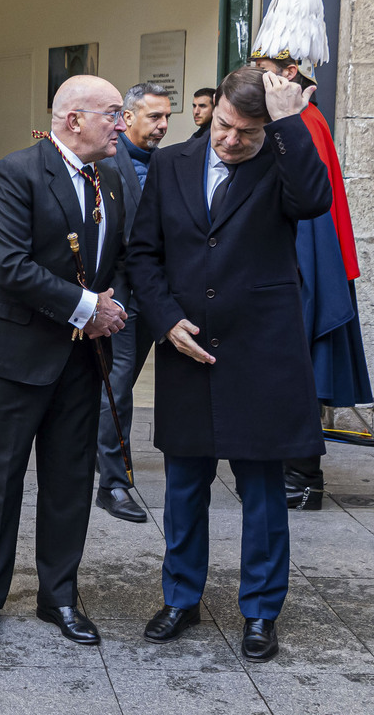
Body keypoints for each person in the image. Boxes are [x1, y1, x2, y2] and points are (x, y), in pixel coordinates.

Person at [128, 67, 331, 662]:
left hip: (261, 352)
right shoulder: (170, 165)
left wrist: (290, 122)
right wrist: (165, 320)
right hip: (188, 345)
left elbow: (314, 200)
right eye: (223, 125)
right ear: (211, 109)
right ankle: (180, 598)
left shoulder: (282, 160)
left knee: (263, 490)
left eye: (247, 131)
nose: (231, 140)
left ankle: (261, 611)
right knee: (185, 483)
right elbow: (143, 253)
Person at [0, 75, 128, 647]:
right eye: (113, 113)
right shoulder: (18, 172)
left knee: (69, 482)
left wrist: (114, 307)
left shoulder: (115, 176)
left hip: (83, 361)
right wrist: (89, 307)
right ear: (73, 119)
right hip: (15, 355)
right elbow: (9, 266)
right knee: (0, 481)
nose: (122, 124)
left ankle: (58, 597)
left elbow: (121, 262)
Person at [249, 0, 371, 510]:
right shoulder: (298, 119)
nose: (254, 75)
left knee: (299, 369)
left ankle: (302, 480)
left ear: (289, 72)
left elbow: (310, 216)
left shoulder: (304, 123)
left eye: (262, 68)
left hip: (300, 274)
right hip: (287, 272)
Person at [94, 82, 171, 523]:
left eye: (166, 118)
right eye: (154, 117)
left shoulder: (167, 164)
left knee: (115, 385)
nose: (162, 126)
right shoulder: (106, 161)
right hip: (118, 295)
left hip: (153, 295)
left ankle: (94, 453)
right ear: (126, 118)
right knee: (116, 389)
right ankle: (114, 483)